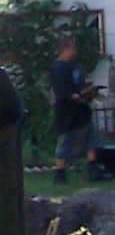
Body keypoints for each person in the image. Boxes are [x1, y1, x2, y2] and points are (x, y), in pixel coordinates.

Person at [49, 35, 97, 183]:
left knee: (91, 138)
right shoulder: (57, 68)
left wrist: (88, 90)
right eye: (73, 48)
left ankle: (93, 170)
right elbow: (62, 91)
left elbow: (79, 84)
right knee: (65, 141)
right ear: (65, 49)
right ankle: (60, 173)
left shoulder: (75, 66)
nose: (75, 51)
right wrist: (77, 95)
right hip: (67, 112)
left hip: (82, 110)